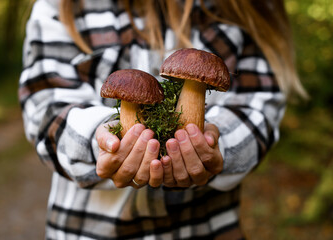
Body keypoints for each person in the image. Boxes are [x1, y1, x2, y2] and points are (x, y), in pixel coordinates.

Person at [19, 0, 307, 239]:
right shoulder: (63, 5)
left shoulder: (241, 7)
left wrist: (218, 145)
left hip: (208, 228)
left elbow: (259, 104)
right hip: (90, 229)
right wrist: (106, 141)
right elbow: (44, 104)